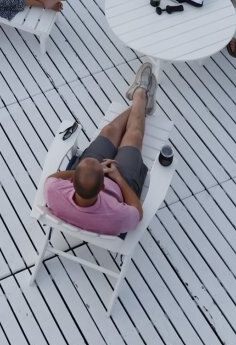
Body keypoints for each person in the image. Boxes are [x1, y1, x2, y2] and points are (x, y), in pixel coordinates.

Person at [42, 64, 156, 235]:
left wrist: (89, 172)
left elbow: (51, 178)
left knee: (108, 131)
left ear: (72, 181)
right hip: (120, 184)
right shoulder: (117, 215)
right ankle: (141, 96)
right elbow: (137, 213)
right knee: (134, 135)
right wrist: (117, 177)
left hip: (90, 178)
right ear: (102, 187)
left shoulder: (54, 192)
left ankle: (139, 100)